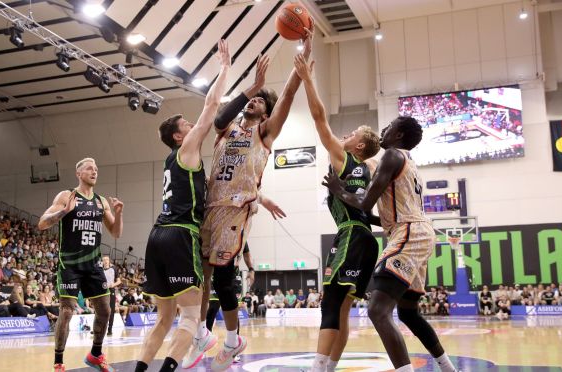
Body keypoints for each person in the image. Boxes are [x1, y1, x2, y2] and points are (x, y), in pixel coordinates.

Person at [188, 29, 313, 372]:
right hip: (210, 207)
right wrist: (251, 87)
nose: (254, 103)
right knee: (203, 275)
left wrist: (299, 68)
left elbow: (287, 95)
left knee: (222, 275)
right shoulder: (228, 131)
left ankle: (230, 340)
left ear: (266, 113)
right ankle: (201, 334)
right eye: (252, 100)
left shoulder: (264, 133)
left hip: (235, 210)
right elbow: (218, 117)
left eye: (259, 101)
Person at [323, 116, 457, 372]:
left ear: (398, 135)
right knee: (408, 313)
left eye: (390, 126)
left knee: (378, 310)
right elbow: (378, 215)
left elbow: (364, 202)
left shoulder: (392, 155)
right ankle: (449, 368)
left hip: (408, 233)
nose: (384, 129)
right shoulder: (409, 162)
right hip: (416, 232)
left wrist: (338, 189)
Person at [133, 40, 230, 372]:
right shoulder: (187, 150)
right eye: (187, 126)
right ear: (178, 137)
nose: (193, 127)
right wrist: (225, 68)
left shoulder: (171, 161)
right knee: (190, 316)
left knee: (164, 319)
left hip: (156, 235)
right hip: (179, 234)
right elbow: (213, 103)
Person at [294, 51, 381, 372]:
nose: (346, 136)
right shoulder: (369, 171)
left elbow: (319, 120)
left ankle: (317, 368)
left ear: (359, 146)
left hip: (351, 237)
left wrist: (307, 79)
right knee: (343, 310)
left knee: (330, 305)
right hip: (368, 240)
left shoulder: (346, 161)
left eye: (352, 135)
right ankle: (327, 368)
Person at [38, 157, 123, 372]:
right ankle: (58, 362)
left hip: (93, 264)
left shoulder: (101, 201)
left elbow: (115, 233)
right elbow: (42, 223)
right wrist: (64, 211)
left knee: (105, 310)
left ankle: (95, 354)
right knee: (66, 311)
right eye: (89, 168)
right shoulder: (66, 195)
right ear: (79, 173)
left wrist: (119, 214)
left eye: (96, 168)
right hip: (70, 264)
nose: (94, 172)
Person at [102, 255, 121, 335]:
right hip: (102, 292)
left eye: (107, 259)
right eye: (104, 260)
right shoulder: (100, 270)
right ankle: (99, 328)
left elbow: (119, 281)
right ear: (102, 262)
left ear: (109, 261)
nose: (106, 261)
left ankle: (110, 329)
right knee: (100, 311)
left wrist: (113, 285)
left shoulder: (114, 269)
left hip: (111, 291)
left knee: (111, 311)